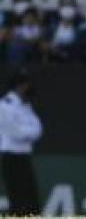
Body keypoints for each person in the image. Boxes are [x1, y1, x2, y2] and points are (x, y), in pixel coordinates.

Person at [0, 68, 42, 216]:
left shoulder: (26, 105)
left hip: (24, 157)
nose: (28, 87)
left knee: (32, 200)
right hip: (11, 157)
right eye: (26, 84)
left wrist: (29, 133)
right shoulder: (5, 105)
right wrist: (29, 133)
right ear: (19, 86)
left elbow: (38, 128)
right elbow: (16, 133)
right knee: (18, 200)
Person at [42, 0, 86, 64]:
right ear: (59, 8)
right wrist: (48, 46)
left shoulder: (82, 24)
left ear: (75, 8)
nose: (67, 8)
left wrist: (61, 49)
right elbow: (45, 42)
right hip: (54, 58)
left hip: (74, 58)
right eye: (64, 5)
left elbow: (85, 45)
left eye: (70, 5)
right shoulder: (52, 25)